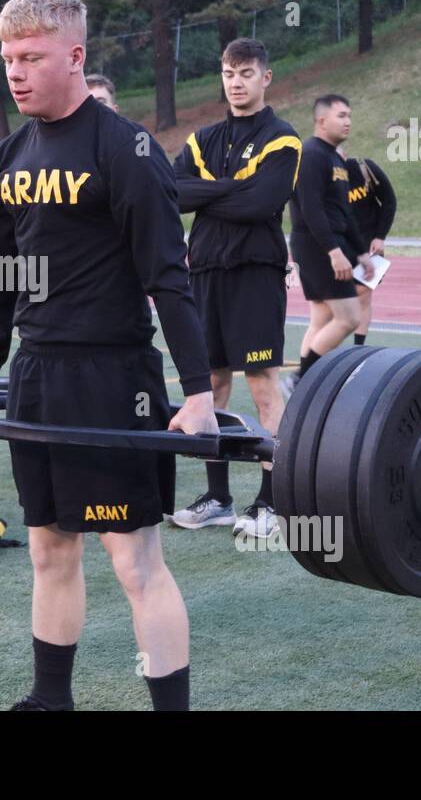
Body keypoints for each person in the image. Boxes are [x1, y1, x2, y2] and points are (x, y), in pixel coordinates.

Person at [0, 0, 217, 711]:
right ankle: (51, 700)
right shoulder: (10, 155)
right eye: (7, 58)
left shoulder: (126, 147)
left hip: (113, 379)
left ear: (74, 57)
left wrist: (197, 393)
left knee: (134, 562)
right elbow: (1, 274)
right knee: (48, 548)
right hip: (37, 374)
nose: (15, 72)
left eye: (31, 57)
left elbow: (168, 275)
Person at [168, 38, 302, 538]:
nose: (236, 82)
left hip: (254, 274)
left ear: (266, 77)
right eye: (228, 73)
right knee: (209, 386)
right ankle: (218, 497)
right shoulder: (203, 139)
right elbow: (173, 192)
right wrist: (232, 189)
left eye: (246, 72)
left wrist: (209, 193)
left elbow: (260, 202)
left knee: (263, 386)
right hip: (204, 272)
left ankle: (271, 502)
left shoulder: (283, 139)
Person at [286, 94, 373, 393]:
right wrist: (334, 252)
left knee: (323, 317)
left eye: (349, 115)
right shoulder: (311, 154)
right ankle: (301, 379)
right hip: (316, 245)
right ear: (321, 120)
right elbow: (310, 209)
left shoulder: (336, 158)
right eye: (341, 115)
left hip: (330, 242)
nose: (348, 121)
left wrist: (361, 252)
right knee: (349, 317)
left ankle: (304, 382)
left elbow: (343, 211)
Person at [338, 143, 396, 345]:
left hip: (369, 246)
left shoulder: (364, 169)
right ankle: (326, 347)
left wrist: (380, 236)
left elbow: (389, 201)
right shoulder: (323, 180)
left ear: (345, 155)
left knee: (363, 294)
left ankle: (358, 347)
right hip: (339, 247)